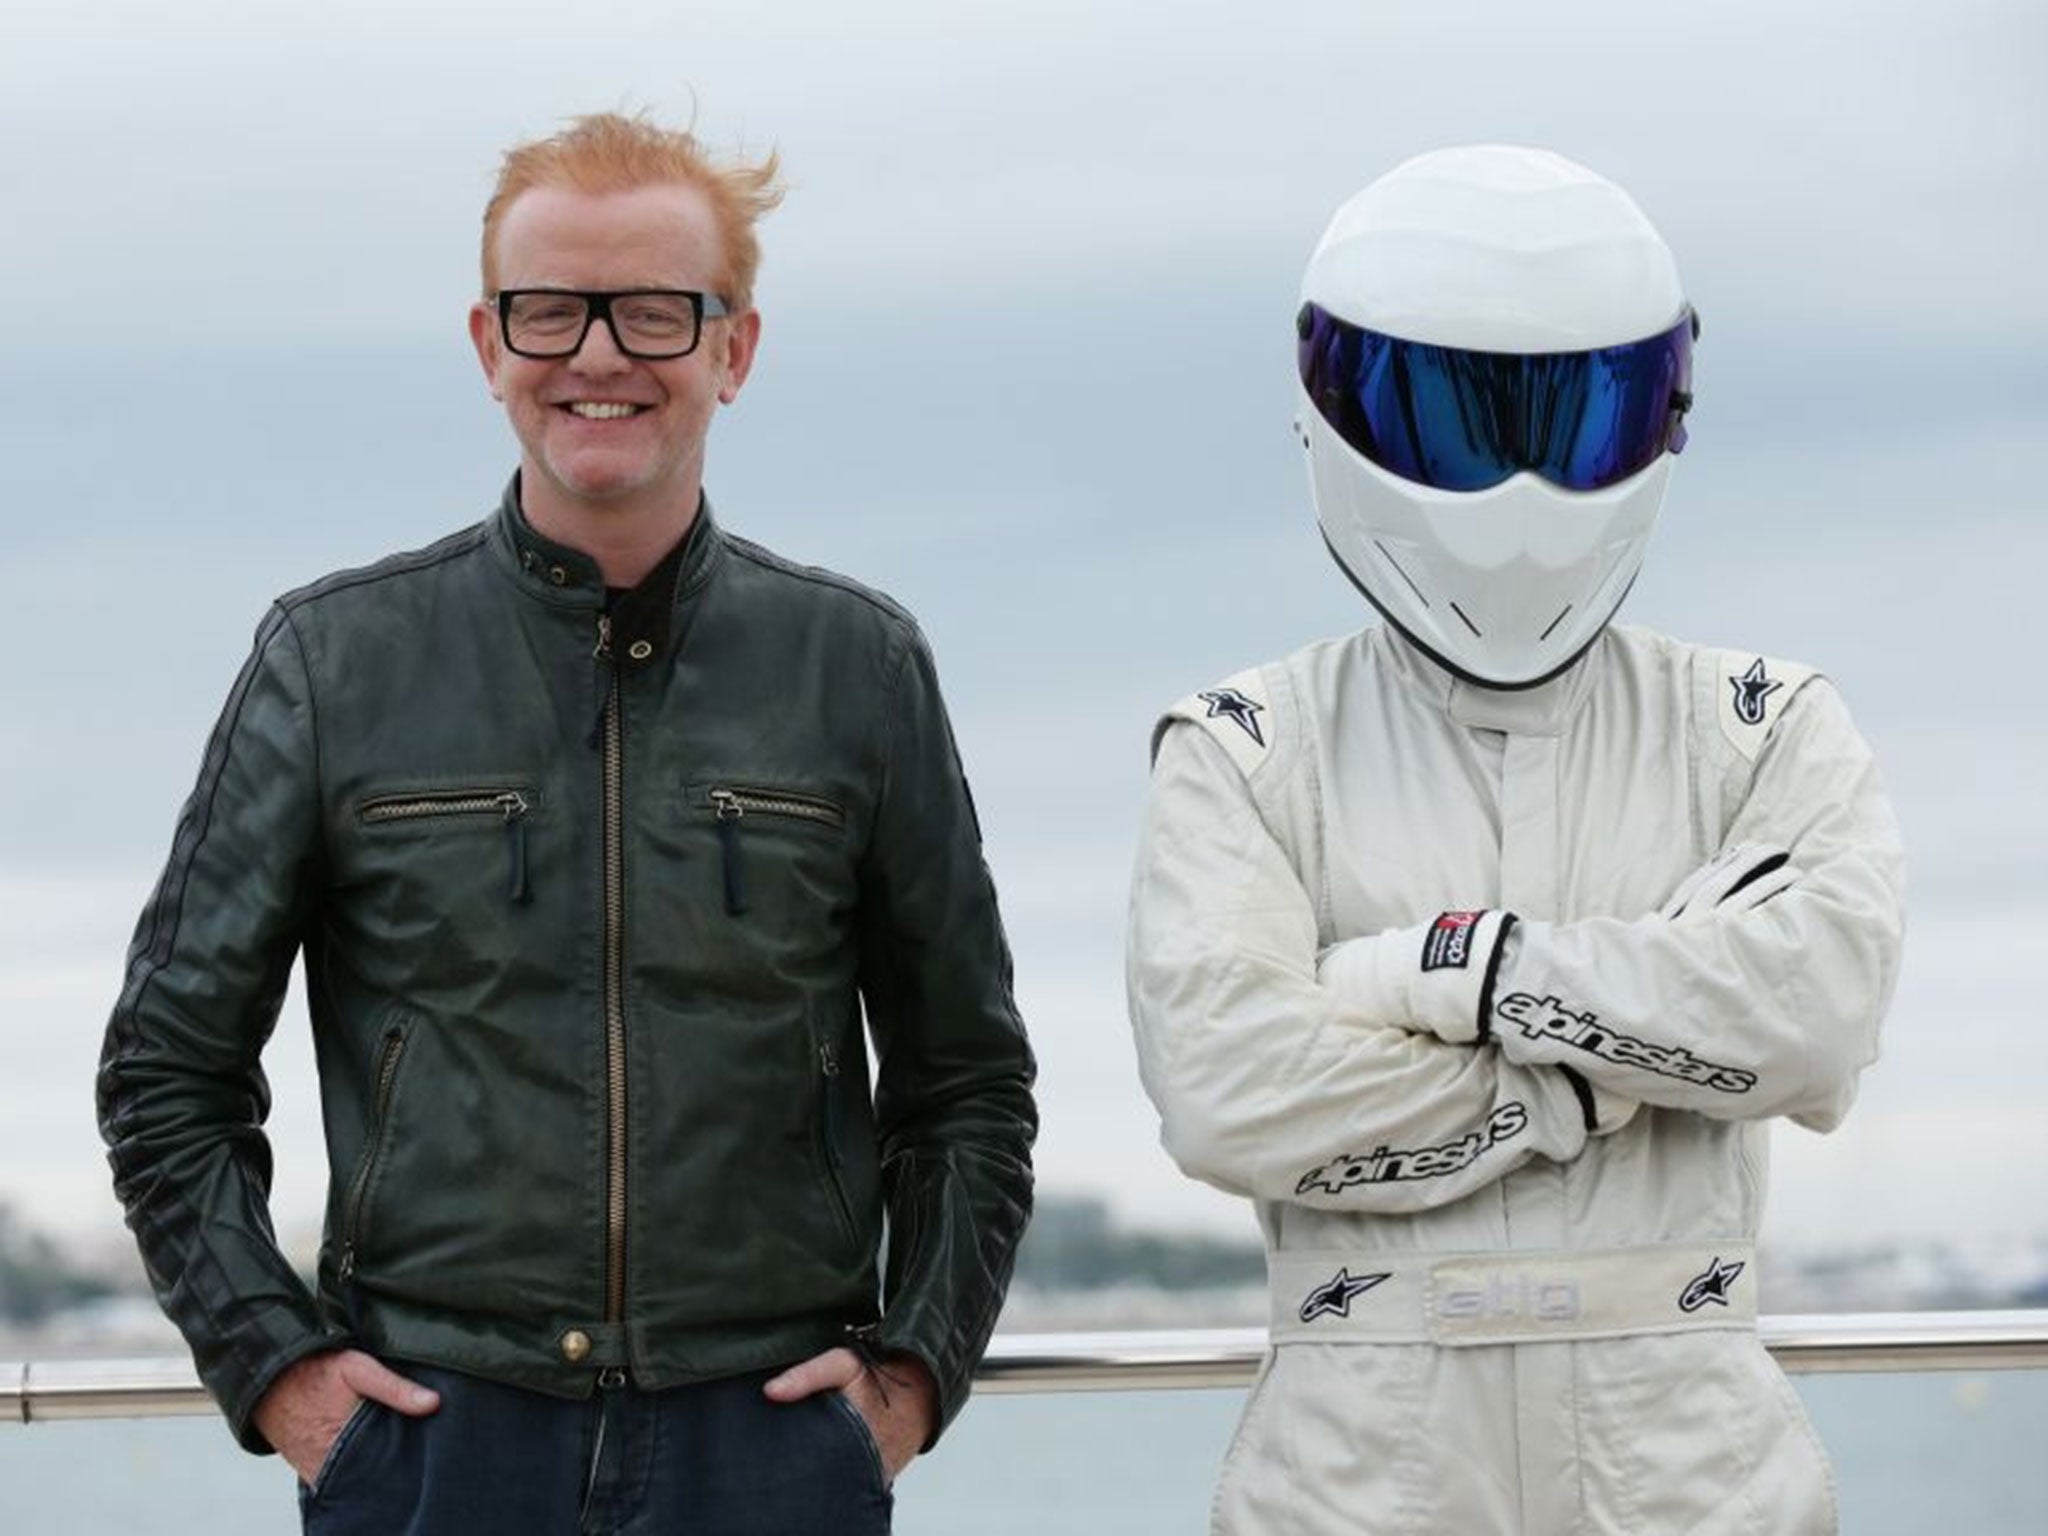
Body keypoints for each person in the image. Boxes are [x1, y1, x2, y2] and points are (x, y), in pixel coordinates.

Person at [97, 111, 1037, 1534]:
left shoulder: (858, 666)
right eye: (552, 311)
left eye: (656, 311)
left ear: (736, 349)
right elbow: (166, 1072)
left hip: (769, 1444)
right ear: (489, 345)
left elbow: (964, 1085)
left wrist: (908, 1381)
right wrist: (284, 1381)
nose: (599, 354)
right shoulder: (333, 662)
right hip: (433, 1443)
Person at [1127, 145, 1904, 1534]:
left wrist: (1458, 976)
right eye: (1459, 413)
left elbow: (1820, 1010)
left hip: (1689, 1482)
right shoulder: (1247, 747)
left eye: (1574, 412)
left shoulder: (1761, 726)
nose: (1524, 473)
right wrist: (1594, 1079)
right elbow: (1231, 1091)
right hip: (1367, 1485)